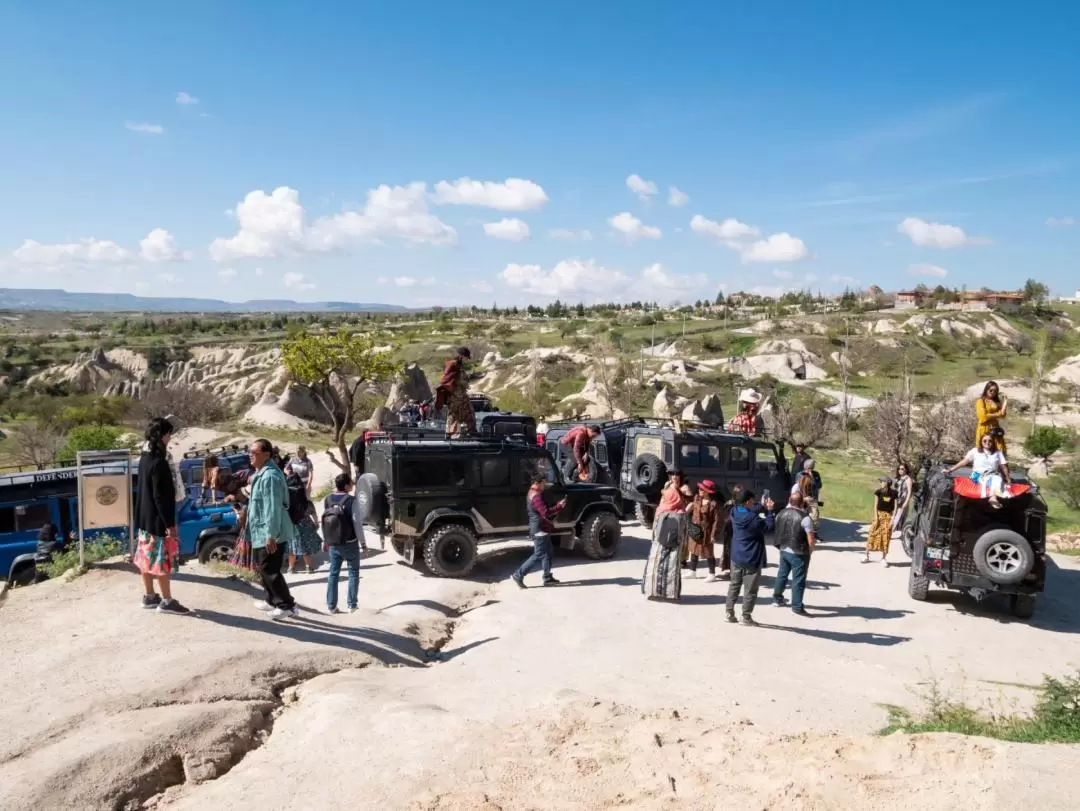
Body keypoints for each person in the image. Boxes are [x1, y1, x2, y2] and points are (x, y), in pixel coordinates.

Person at [134, 417, 190, 614]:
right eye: (168, 434)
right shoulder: (159, 463)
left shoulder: (144, 458)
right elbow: (161, 497)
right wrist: (170, 524)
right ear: (162, 436)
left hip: (144, 518)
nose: (169, 438)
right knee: (161, 560)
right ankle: (167, 601)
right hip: (158, 521)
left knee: (145, 558)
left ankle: (149, 596)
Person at [247, 438, 299, 620]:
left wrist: (271, 535)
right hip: (260, 530)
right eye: (250, 452)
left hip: (271, 531)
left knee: (270, 569)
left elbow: (272, 507)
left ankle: (287, 605)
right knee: (263, 567)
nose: (250, 456)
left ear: (266, 455)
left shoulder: (270, 476)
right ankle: (271, 600)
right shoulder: (261, 473)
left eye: (254, 453)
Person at [726, 490, 776, 626]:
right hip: (751, 558)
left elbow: (750, 511)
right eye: (752, 501)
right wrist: (770, 511)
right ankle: (746, 617)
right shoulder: (754, 519)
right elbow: (769, 527)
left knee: (734, 585)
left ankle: (729, 612)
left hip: (736, 556)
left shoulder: (734, 511)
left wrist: (761, 504)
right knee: (750, 590)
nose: (754, 503)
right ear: (748, 501)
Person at [322, 472, 367, 613]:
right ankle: (352, 605)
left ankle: (331, 606)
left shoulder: (327, 500)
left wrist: (326, 540)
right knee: (353, 573)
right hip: (350, 543)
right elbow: (357, 524)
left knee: (333, 574)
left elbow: (326, 523)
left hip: (334, 543)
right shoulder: (352, 501)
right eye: (351, 483)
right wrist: (363, 544)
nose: (353, 485)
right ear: (347, 486)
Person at [511, 474, 567, 588]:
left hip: (542, 528)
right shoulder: (536, 496)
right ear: (538, 483)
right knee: (538, 554)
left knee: (548, 553)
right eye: (543, 483)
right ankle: (518, 574)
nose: (544, 485)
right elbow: (545, 512)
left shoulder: (533, 492)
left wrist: (556, 505)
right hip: (540, 529)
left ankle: (547, 577)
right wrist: (559, 507)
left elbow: (543, 509)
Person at [771, 492, 816, 616]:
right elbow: (811, 538)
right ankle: (796, 606)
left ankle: (777, 598)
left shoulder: (781, 513)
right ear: (802, 503)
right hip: (799, 552)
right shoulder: (805, 518)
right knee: (798, 579)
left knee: (782, 574)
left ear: (790, 500)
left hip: (784, 548)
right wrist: (810, 551)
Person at [947, 435, 1012, 508]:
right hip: (978, 475)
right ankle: (993, 497)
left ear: (993, 442)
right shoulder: (975, 451)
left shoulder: (998, 453)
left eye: (990, 441)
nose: (987, 442)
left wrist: (1008, 479)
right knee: (991, 480)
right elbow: (964, 462)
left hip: (993, 475)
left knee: (998, 479)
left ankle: (993, 498)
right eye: (985, 441)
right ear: (981, 442)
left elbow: (1003, 466)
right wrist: (950, 470)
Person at [436, 347, 476, 438]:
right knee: (455, 415)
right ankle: (452, 434)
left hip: (462, 396)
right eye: (466, 357)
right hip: (455, 397)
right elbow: (446, 380)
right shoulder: (452, 364)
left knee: (468, 413)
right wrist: (460, 383)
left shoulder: (458, 365)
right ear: (461, 356)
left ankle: (469, 433)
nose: (467, 360)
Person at [286, 470, 321, 574]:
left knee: (292, 547)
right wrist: (316, 523)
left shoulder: (287, 498)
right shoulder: (304, 497)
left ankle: (290, 568)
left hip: (291, 525)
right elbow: (312, 511)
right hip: (305, 524)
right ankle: (308, 567)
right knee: (305, 547)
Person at [686, 480, 721, 581]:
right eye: (700, 488)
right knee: (694, 550)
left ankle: (712, 574)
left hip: (706, 532)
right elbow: (692, 507)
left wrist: (713, 535)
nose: (700, 490)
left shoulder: (712, 504)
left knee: (708, 553)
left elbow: (715, 521)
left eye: (702, 489)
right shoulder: (697, 498)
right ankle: (692, 572)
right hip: (696, 530)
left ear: (707, 491)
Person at [864, 477, 896, 564]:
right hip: (879, 514)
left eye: (882, 481)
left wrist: (893, 518)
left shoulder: (894, 493)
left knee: (886, 536)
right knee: (872, 533)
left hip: (888, 516)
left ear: (886, 483)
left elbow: (895, 506)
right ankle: (866, 555)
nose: (880, 483)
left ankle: (884, 558)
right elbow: (875, 505)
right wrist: (876, 517)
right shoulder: (878, 492)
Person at [976, 380, 1008, 454]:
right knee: (984, 451)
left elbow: (1003, 414)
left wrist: (1005, 401)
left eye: (995, 391)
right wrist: (998, 414)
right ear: (986, 390)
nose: (993, 392)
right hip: (984, 429)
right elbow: (982, 416)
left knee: (999, 450)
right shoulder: (981, 401)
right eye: (991, 390)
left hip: (995, 429)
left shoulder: (995, 402)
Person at [792, 458, 822, 537]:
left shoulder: (816, 474)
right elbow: (798, 487)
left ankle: (814, 534)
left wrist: (812, 477)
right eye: (812, 466)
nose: (813, 467)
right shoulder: (800, 474)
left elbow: (819, 486)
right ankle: (801, 533)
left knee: (814, 516)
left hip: (813, 499)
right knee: (801, 516)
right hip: (802, 499)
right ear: (807, 467)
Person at [892, 462, 914, 536]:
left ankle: (890, 531)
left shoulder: (908, 479)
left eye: (902, 469)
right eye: (899, 469)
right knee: (893, 515)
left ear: (906, 470)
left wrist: (906, 502)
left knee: (898, 516)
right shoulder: (898, 478)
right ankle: (900, 532)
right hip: (895, 500)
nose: (900, 470)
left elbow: (909, 492)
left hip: (902, 500)